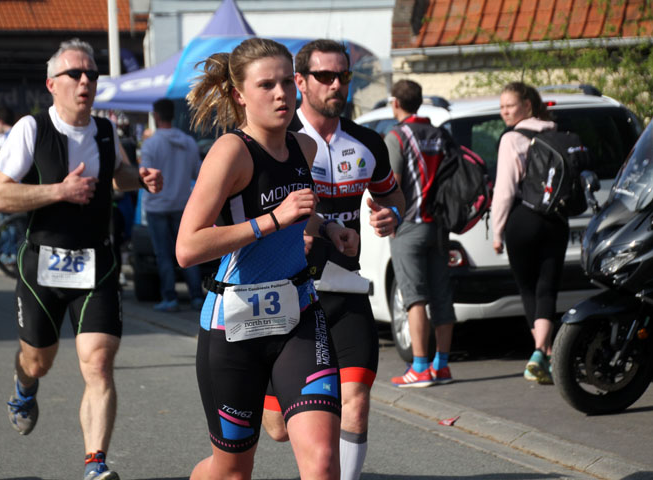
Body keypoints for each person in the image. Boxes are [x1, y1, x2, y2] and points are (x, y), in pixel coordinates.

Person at [176, 37, 360, 480]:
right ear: (240, 95)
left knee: (322, 460)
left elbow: (301, 209)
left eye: (285, 83)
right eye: (266, 85)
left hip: (298, 313)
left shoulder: (305, 147)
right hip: (233, 324)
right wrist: (271, 221)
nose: (281, 94)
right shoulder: (230, 153)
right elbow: (187, 247)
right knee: (232, 470)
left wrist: (328, 227)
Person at [0, 38, 163, 480]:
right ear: (52, 84)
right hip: (42, 266)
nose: (86, 81)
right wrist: (59, 191)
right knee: (37, 361)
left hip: (97, 263)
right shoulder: (31, 129)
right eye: (75, 74)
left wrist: (138, 178)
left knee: (99, 364)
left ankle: (95, 464)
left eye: (92, 74)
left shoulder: (105, 131)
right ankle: (25, 387)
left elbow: (117, 175)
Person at [261, 39, 405, 480]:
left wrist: (391, 214)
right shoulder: (275, 142)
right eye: (326, 76)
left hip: (345, 287)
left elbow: (394, 195)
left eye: (344, 76)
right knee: (277, 429)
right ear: (301, 81)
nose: (337, 85)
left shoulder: (366, 142)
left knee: (356, 399)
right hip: (286, 293)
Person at [385, 79, 458, 388]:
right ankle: (441, 365)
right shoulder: (441, 135)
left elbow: (393, 185)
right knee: (442, 296)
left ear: (395, 103)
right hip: (439, 226)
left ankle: (419, 368)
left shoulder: (396, 136)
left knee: (414, 298)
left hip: (408, 225)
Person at [493, 81, 563, 385]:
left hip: (523, 219)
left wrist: (497, 230)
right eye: (502, 107)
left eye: (510, 105)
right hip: (556, 219)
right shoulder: (555, 131)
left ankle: (538, 352)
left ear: (527, 106)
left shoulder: (511, 139)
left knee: (528, 288)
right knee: (548, 287)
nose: (505, 111)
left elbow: (505, 190)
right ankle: (544, 355)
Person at [141, 98, 204, 312]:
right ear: (173, 115)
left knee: (164, 254)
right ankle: (196, 296)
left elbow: (144, 176)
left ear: (156, 116)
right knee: (189, 252)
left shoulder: (151, 144)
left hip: (157, 206)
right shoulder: (188, 142)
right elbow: (198, 174)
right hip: (182, 204)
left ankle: (170, 298)